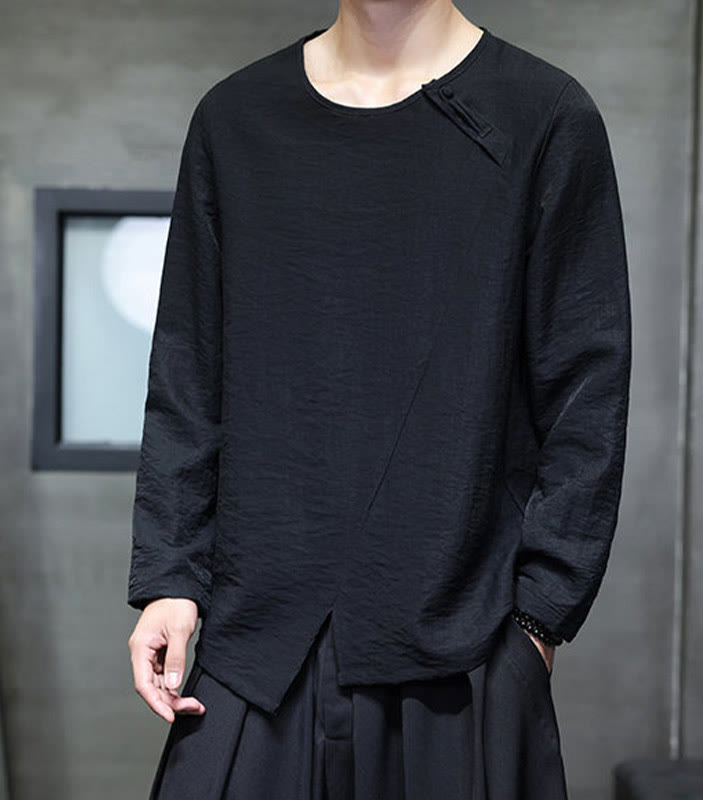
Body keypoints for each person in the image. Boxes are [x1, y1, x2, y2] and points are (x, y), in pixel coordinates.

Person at [126, 2, 632, 798]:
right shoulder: (237, 118)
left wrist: (539, 619)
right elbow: (188, 374)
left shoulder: (543, 115)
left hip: (461, 651)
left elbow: (586, 388)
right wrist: (170, 578)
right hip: (256, 644)